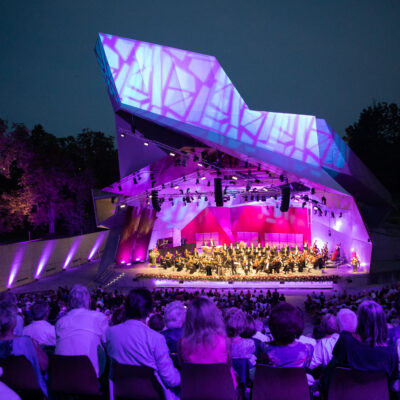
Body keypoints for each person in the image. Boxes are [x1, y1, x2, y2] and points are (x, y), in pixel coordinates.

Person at [106, 288, 180, 400]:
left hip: (121, 395)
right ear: (149, 310)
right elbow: (171, 380)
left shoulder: (110, 333)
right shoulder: (156, 338)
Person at [324, 300, 399, 394]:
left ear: (359, 320)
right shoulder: (391, 353)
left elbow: (330, 375)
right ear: (382, 323)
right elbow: (393, 386)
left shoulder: (345, 340)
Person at [179, 297, 237, 387]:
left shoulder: (181, 343)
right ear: (214, 317)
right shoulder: (225, 342)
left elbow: (184, 368)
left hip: (194, 391)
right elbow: (228, 366)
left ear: (189, 319)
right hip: (223, 391)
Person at [55, 284, 108, 377]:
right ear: (88, 300)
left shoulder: (60, 322)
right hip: (90, 376)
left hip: (62, 376)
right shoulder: (99, 317)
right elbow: (107, 343)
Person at [0, 301, 48, 397]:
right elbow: (44, 365)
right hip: (31, 394)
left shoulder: (27, 342)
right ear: (14, 321)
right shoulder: (27, 342)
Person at [261, 303, 313, 369]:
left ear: (272, 326)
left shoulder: (264, 348)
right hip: (297, 379)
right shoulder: (308, 349)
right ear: (299, 325)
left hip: (272, 379)